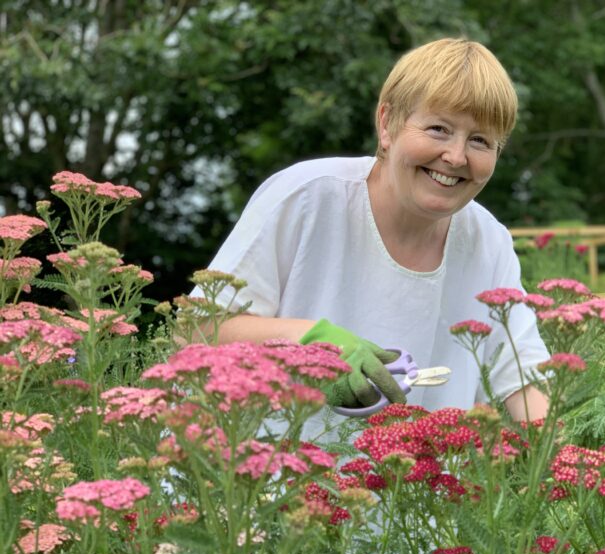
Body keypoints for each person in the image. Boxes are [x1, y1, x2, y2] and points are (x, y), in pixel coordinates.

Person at [191, 38, 550, 437]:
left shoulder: (489, 241)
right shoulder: (307, 197)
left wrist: (564, 456)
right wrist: (308, 342)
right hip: (263, 469)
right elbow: (196, 331)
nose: (456, 156)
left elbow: (523, 376)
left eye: (480, 141)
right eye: (438, 129)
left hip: (412, 476)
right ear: (387, 123)